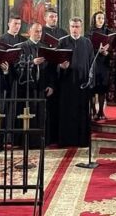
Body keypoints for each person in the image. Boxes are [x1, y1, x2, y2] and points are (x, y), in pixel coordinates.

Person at [53, 17, 94, 147]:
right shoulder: (62, 42)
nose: (74, 29)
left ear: (81, 28)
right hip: (67, 83)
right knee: (66, 111)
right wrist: (60, 67)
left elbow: (92, 63)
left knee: (82, 112)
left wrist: (90, 81)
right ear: (69, 27)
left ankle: (82, 141)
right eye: (72, 26)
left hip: (82, 83)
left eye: (77, 27)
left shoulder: (87, 42)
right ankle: (66, 140)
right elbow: (55, 62)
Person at [13, 23, 53, 148]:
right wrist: (31, 62)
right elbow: (16, 66)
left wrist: (51, 85)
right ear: (29, 32)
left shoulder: (45, 48)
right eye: (36, 31)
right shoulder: (21, 47)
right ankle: (26, 142)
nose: (39, 34)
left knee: (41, 114)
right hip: (26, 88)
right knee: (27, 113)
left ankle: (40, 141)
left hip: (41, 87)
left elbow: (51, 68)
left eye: (40, 31)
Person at [42, 8, 68, 145]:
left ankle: (59, 136)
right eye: (51, 16)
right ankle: (47, 137)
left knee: (60, 106)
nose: (54, 19)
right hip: (47, 72)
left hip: (61, 74)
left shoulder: (63, 33)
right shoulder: (41, 32)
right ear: (45, 18)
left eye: (56, 16)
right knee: (48, 108)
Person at [86, 11, 112, 120]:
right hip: (93, 63)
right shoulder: (89, 33)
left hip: (104, 63)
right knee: (92, 88)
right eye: (99, 18)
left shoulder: (108, 32)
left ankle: (101, 111)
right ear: (94, 19)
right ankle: (93, 111)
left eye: (102, 18)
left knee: (102, 88)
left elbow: (112, 46)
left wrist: (107, 52)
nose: (101, 20)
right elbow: (87, 48)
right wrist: (98, 50)